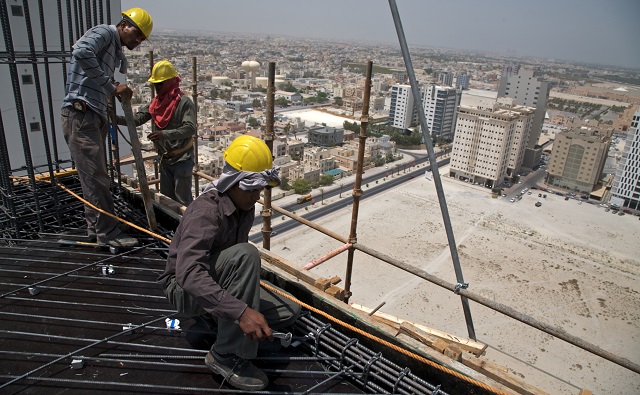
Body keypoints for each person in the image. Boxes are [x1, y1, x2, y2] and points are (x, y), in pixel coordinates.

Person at [158, 135, 300, 391]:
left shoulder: (244, 208)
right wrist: (241, 312)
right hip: (183, 290)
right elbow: (189, 274)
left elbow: (227, 265)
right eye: (251, 189)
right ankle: (226, 355)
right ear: (232, 182)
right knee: (246, 254)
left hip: (212, 282)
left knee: (289, 311)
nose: (256, 196)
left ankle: (217, 316)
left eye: (260, 189)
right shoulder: (206, 212)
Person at [61, 8, 153, 247]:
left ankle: (97, 227)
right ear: (124, 25)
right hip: (82, 114)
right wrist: (111, 88)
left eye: (142, 38)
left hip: (90, 115)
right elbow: (81, 51)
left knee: (93, 177)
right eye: (137, 34)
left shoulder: (113, 46)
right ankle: (108, 234)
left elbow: (94, 73)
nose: (138, 40)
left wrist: (109, 89)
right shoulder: (104, 32)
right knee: (96, 177)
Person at [117, 60, 196, 206]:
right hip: (166, 159)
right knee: (167, 200)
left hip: (182, 160)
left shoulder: (184, 102)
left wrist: (164, 134)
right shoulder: (157, 103)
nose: (157, 87)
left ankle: (187, 228)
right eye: (155, 84)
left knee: (183, 201)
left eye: (160, 84)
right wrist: (114, 118)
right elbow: (137, 120)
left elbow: (190, 128)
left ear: (170, 82)